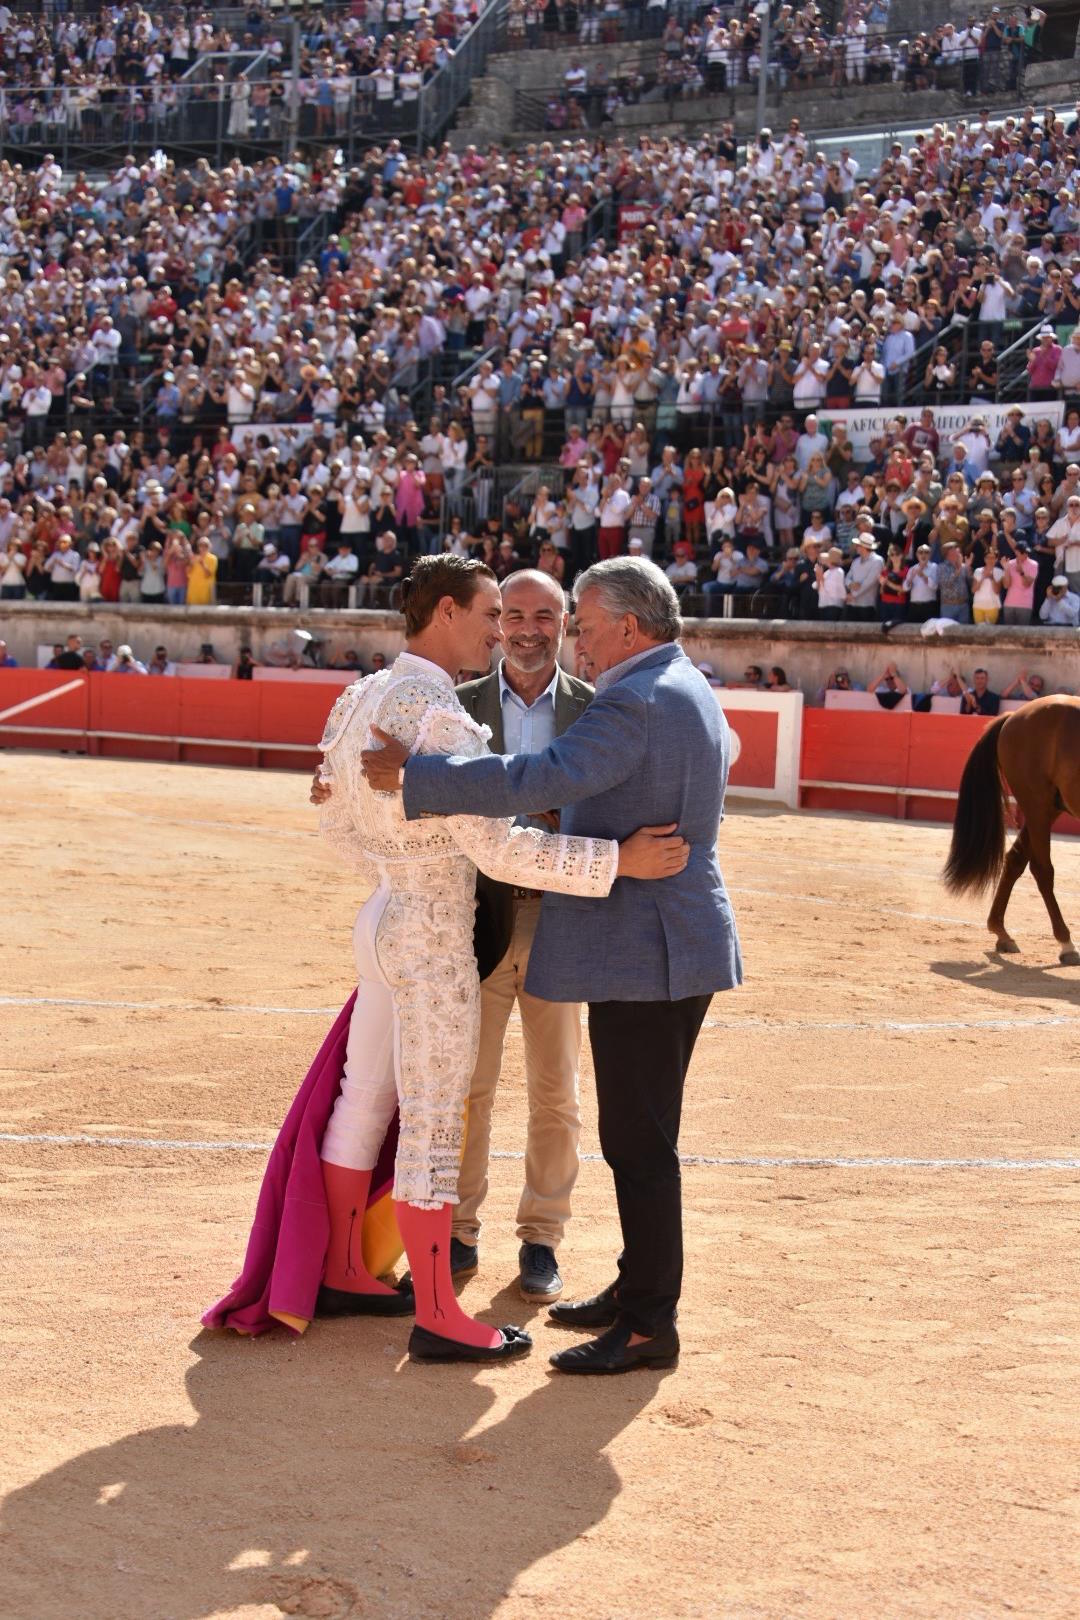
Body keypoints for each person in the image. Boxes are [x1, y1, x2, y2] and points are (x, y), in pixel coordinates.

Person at [206, 556, 686, 1365]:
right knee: (434, 1116)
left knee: (365, 1097)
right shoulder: (445, 720)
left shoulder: (363, 696)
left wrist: (399, 860)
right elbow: (499, 849)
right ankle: (438, 1312)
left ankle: (345, 1269)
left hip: (383, 916)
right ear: (446, 613)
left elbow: (334, 819)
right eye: (490, 614)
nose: (501, 630)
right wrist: (615, 864)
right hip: (434, 933)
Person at [361, 557, 743, 1375]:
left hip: (649, 948)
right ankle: (635, 1287)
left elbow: (548, 773)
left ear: (629, 627)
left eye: (589, 625)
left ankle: (647, 1326)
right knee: (634, 1133)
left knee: (639, 1145)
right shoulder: (679, 682)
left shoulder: (634, 697)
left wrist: (418, 776)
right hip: (658, 940)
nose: (581, 641)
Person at [446, 570, 594, 1300]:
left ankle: (542, 1237)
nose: (529, 628)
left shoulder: (596, 710)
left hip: (564, 921)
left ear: (565, 622)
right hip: (480, 919)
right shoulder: (459, 705)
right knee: (467, 1088)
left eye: (545, 615)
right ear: (497, 622)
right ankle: (458, 1233)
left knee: (556, 1091)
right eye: (514, 615)